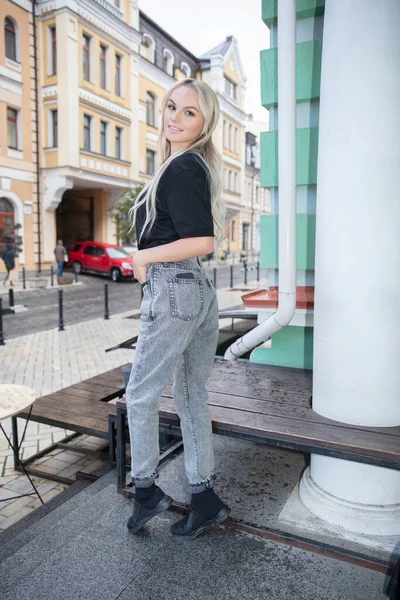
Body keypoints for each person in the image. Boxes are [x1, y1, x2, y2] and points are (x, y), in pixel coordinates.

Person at [126, 78, 230, 539]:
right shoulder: (188, 166)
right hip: (194, 289)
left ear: (204, 122)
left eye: (189, 112)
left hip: (174, 288)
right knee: (190, 396)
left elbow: (202, 240)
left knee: (140, 393)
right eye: (171, 107)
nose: (174, 117)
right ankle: (204, 498)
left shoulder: (183, 166)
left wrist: (143, 256)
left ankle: (146, 490)